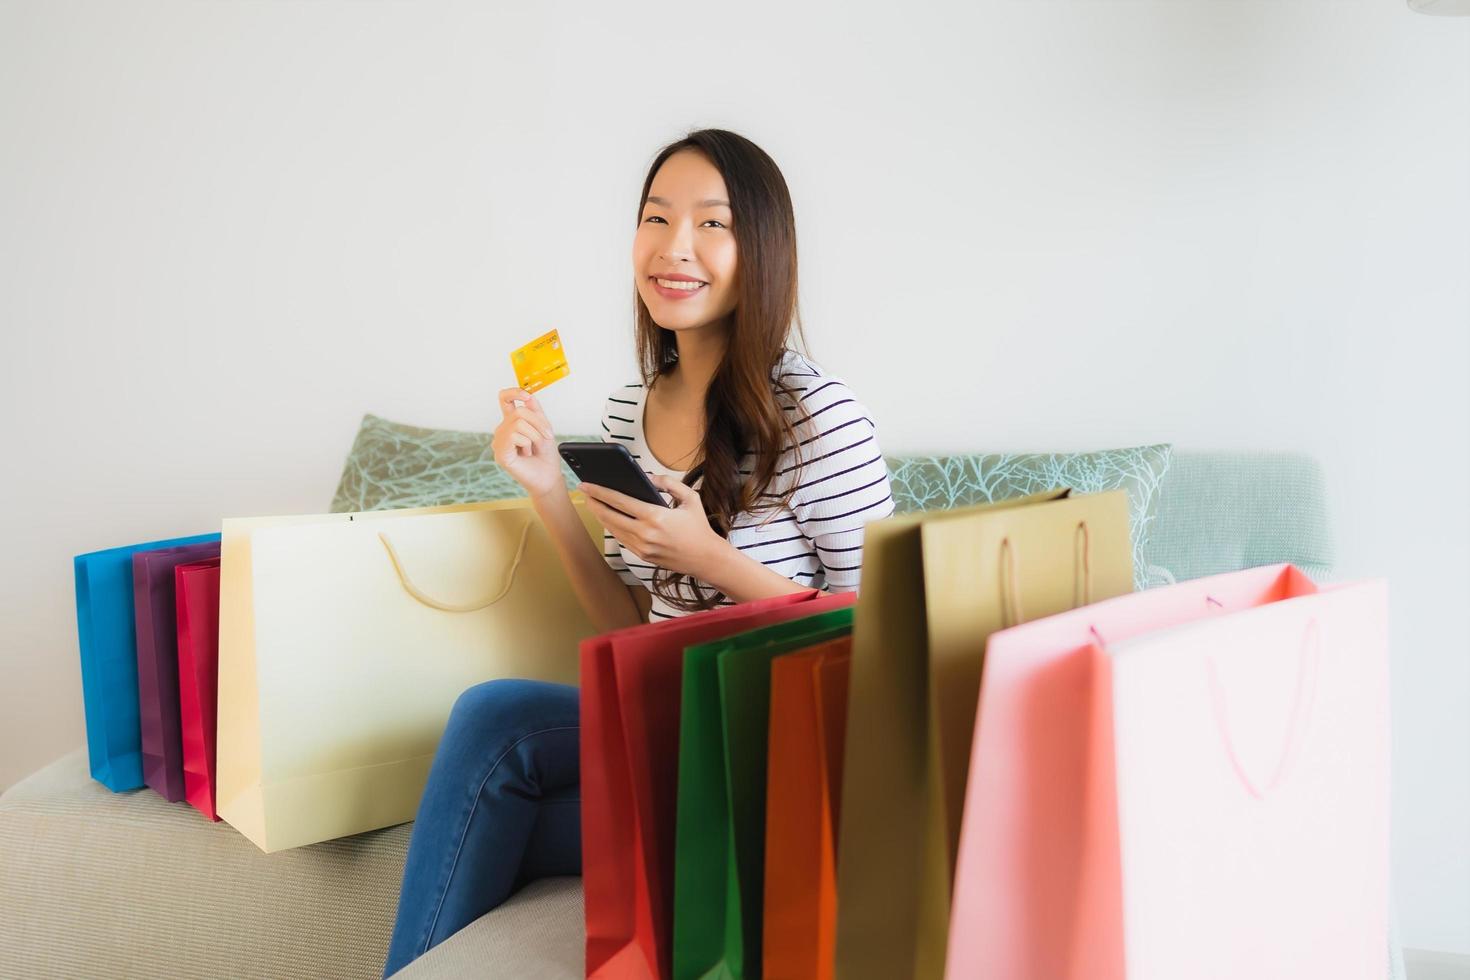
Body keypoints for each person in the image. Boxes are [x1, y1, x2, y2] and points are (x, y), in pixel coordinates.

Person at [382, 128, 894, 977]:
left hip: (772, 752)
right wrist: (550, 490)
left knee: (495, 762)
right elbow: (628, 620)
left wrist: (712, 557)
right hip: (665, 722)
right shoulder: (628, 412)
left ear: (760, 249)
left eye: (710, 224)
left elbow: (880, 640)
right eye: (655, 218)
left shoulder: (818, 416)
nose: (673, 248)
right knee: (495, 726)